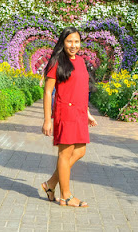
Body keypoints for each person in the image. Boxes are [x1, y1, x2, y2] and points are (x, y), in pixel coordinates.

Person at [40, 27, 97, 207]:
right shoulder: (56, 62)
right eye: (69, 41)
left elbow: (81, 89)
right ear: (63, 42)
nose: (73, 45)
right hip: (65, 111)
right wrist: (47, 119)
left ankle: (50, 184)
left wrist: (87, 112)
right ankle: (66, 195)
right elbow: (48, 92)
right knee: (65, 154)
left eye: (76, 41)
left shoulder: (80, 61)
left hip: (79, 112)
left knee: (80, 151)